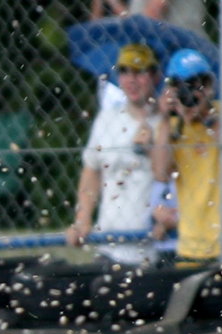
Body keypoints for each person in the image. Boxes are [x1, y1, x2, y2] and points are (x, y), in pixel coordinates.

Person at [66, 43, 163, 268]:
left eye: (139, 72)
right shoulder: (107, 119)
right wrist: (83, 219)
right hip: (108, 243)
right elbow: (91, 170)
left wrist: (154, 147)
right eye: (124, 71)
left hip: (152, 246)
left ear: (155, 76)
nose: (131, 79)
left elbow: (171, 177)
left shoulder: (165, 123)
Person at [151, 48, 219, 268]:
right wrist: (165, 117)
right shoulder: (172, 129)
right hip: (190, 245)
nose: (190, 96)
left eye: (197, 86)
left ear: (209, 87)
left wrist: (207, 113)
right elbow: (161, 173)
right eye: (183, 89)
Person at [89, 0, 207, 37]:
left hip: (179, 50)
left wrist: (114, 4)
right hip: (158, 49)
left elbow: (151, 18)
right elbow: (93, 29)